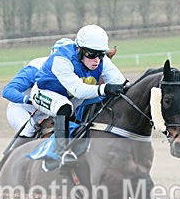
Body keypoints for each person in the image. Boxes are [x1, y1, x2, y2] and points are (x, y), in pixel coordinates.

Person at [32, 24, 127, 166]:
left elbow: (121, 82)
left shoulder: (101, 61)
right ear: (79, 50)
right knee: (64, 107)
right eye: (91, 54)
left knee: (102, 100)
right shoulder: (62, 59)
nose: (97, 60)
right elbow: (78, 90)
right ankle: (61, 152)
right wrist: (105, 88)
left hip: (71, 95)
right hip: (45, 92)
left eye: (100, 54)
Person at [2, 38, 74, 148]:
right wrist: (30, 100)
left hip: (49, 111)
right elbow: (8, 91)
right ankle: (10, 157)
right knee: (28, 129)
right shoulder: (36, 68)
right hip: (23, 109)